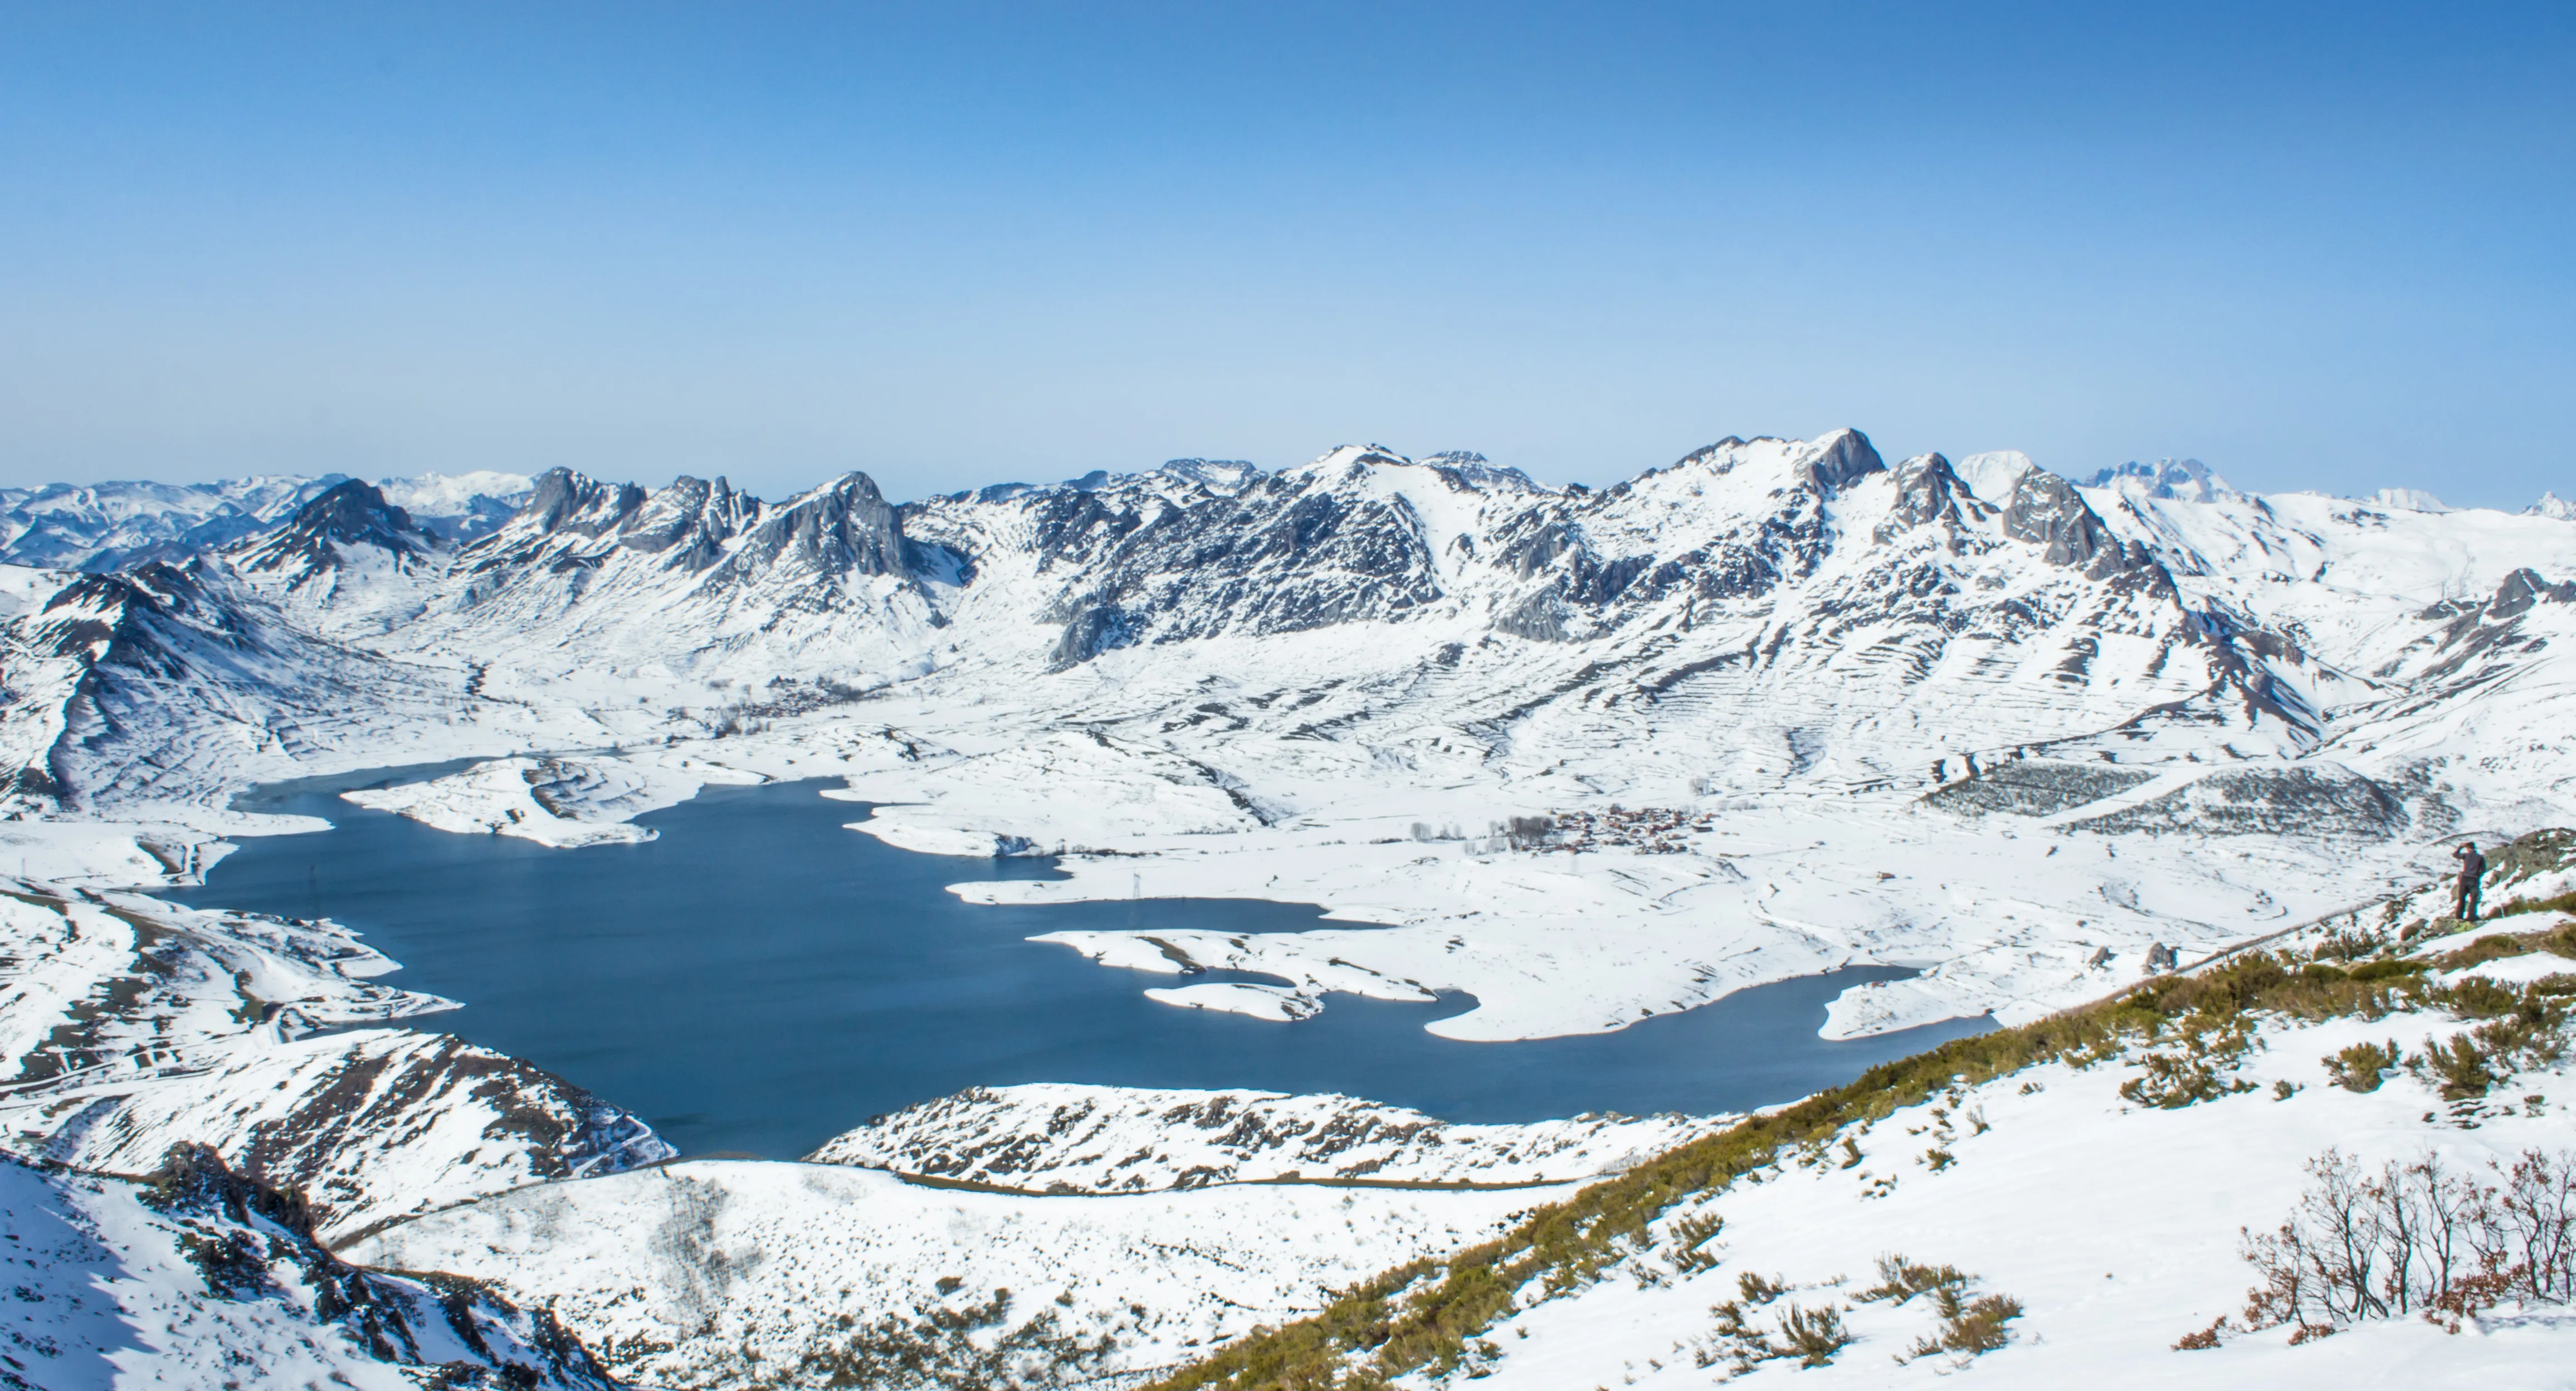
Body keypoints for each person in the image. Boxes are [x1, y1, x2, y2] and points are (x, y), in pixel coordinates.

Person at [2453, 842, 2487, 922]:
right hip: (2474, 879)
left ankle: (2459, 917)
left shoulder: (2465, 856)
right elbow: (2484, 870)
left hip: (2464, 879)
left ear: (2467, 848)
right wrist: (2478, 876)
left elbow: (2455, 855)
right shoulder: (2480, 858)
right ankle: (2471, 917)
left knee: (2462, 899)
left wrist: (2460, 847)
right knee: (2473, 899)